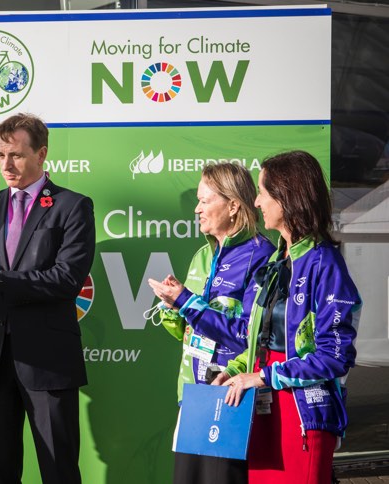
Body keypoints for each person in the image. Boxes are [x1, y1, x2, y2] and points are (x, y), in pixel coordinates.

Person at [0, 113, 95, 484]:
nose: (6, 165)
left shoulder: (73, 206)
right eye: (0, 155)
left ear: (41, 153)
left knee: (59, 471)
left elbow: (65, 280)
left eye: (15, 155)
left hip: (47, 361)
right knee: (0, 473)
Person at [216, 151, 361, 484]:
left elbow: (334, 357)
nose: (256, 201)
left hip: (302, 415)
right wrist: (237, 371)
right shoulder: (277, 262)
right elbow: (256, 335)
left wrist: (264, 377)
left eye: (263, 192)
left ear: (287, 197)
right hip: (265, 412)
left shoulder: (325, 263)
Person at [147, 163, 275, 484]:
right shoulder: (202, 256)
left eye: (205, 201)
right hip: (193, 397)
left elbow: (255, 336)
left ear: (233, 206)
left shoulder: (261, 257)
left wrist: (234, 371)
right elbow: (184, 331)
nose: (197, 209)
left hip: (231, 396)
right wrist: (172, 309)